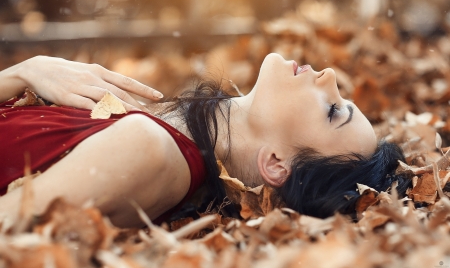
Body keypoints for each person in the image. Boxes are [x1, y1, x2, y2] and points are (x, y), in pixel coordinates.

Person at [0, 54, 408, 228]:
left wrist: (25, 70)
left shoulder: (150, 149)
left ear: (278, 164)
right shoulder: (156, 125)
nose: (331, 77)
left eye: (332, 110)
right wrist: (25, 73)